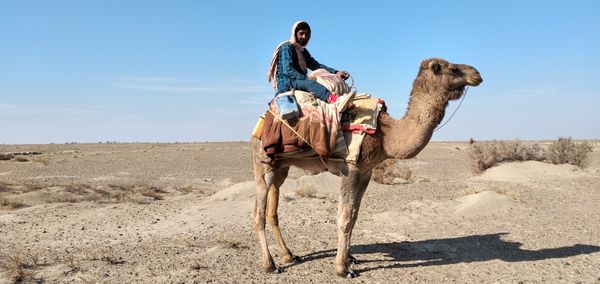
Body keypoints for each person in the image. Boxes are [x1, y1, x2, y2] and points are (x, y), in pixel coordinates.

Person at [267, 21, 351, 104]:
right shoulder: (287, 47)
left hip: (297, 80)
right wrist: (306, 79)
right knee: (311, 84)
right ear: (295, 33)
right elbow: (288, 70)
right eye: (301, 33)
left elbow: (316, 65)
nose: (304, 37)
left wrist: (335, 72)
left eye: (307, 34)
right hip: (287, 81)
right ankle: (335, 100)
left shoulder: (303, 51)